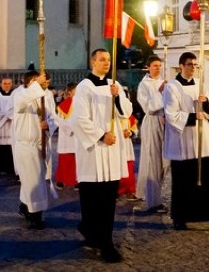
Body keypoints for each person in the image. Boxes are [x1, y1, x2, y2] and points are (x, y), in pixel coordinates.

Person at [71, 49, 133, 263]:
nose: (106, 63)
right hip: (94, 151)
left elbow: (127, 111)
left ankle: (104, 241)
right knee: (91, 200)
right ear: (93, 62)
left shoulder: (114, 85)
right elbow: (79, 119)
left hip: (111, 150)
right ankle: (91, 232)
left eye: (108, 60)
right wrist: (100, 135)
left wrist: (116, 97)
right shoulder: (84, 87)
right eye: (102, 60)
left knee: (108, 200)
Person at [163, 52, 209, 231]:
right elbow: (171, 114)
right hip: (182, 141)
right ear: (181, 66)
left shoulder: (201, 85)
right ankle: (180, 217)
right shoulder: (172, 87)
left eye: (195, 64)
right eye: (189, 64)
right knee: (182, 182)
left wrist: (205, 103)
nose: (193, 67)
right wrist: (195, 115)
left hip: (200, 140)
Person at [12, 70, 57, 230]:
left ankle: (25, 207)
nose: (40, 85)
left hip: (40, 144)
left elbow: (53, 117)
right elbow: (21, 103)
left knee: (34, 180)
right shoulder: (20, 95)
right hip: (26, 145)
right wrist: (37, 86)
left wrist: (48, 125)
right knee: (34, 181)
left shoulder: (47, 96)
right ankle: (35, 215)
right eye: (36, 82)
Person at [135, 55, 169, 212]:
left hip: (166, 122)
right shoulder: (144, 85)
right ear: (148, 67)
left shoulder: (165, 81)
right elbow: (148, 107)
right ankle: (153, 201)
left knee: (166, 161)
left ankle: (158, 193)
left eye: (159, 65)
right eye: (154, 65)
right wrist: (160, 92)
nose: (158, 68)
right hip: (152, 122)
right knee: (153, 161)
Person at [54, 83, 78, 189]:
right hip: (66, 136)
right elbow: (60, 121)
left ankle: (77, 180)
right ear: (70, 92)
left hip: (78, 136)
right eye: (76, 91)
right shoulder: (64, 105)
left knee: (77, 160)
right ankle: (61, 180)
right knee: (65, 159)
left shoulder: (81, 104)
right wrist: (71, 129)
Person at [117, 113, 139, 201]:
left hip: (126, 146)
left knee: (128, 168)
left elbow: (134, 128)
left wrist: (130, 132)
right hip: (114, 145)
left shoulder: (127, 112)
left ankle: (129, 191)